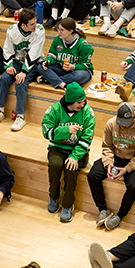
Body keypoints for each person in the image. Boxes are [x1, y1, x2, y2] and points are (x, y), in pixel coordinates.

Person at [87, 102, 135, 231]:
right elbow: (107, 146)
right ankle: (103, 209)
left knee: (133, 186)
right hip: (115, 158)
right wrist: (108, 163)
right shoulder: (111, 123)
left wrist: (127, 169)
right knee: (92, 175)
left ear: (133, 117)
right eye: (121, 121)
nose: (122, 125)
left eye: (126, 122)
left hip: (134, 162)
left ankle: (120, 216)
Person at [0, 8, 46, 132]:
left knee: (20, 82)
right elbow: (7, 49)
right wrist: (9, 66)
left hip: (33, 64)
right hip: (17, 62)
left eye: (36, 22)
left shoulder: (39, 30)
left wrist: (23, 72)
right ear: (23, 25)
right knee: (4, 78)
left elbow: (34, 53)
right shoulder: (12, 30)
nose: (36, 25)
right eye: (32, 24)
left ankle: (20, 117)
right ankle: (0, 110)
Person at [42, 81, 95, 223]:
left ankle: (67, 205)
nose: (82, 105)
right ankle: (53, 196)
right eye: (79, 102)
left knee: (71, 168)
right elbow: (46, 132)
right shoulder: (54, 109)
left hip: (78, 151)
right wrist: (66, 131)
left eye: (84, 101)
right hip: (58, 148)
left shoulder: (87, 112)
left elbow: (87, 138)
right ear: (70, 101)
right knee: (55, 165)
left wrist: (75, 156)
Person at [37, 17, 94, 89]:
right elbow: (52, 55)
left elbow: (85, 65)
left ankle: (50, 80)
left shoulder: (84, 45)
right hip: (61, 68)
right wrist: (48, 60)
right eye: (58, 29)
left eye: (62, 30)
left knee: (80, 76)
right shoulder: (57, 38)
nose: (59, 32)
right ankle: (61, 83)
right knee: (41, 66)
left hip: (77, 71)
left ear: (70, 31)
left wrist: (73, 67)